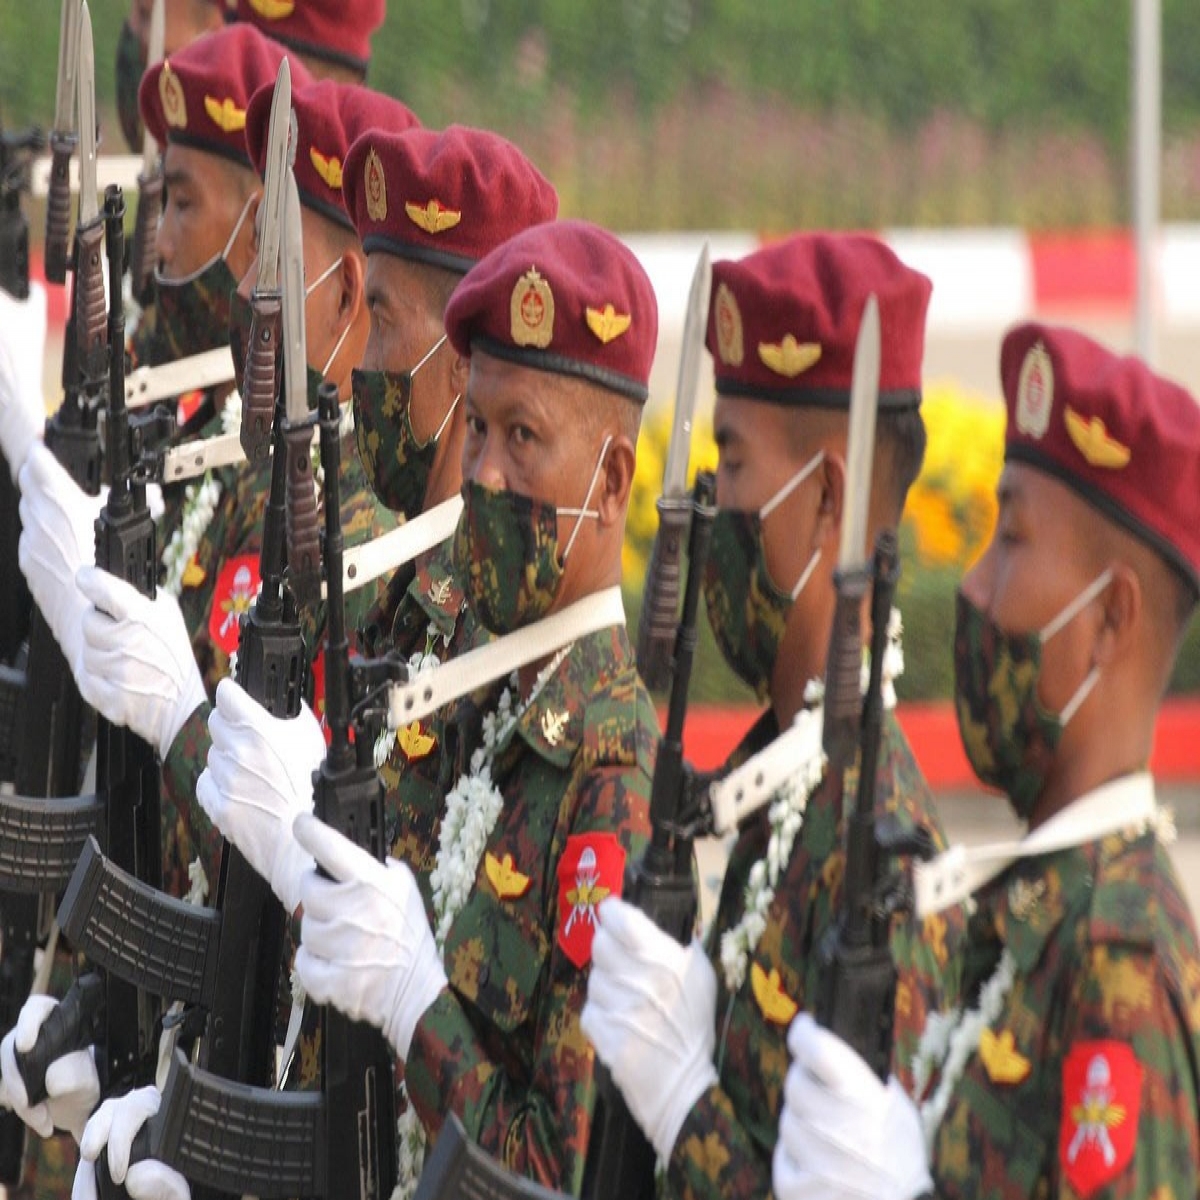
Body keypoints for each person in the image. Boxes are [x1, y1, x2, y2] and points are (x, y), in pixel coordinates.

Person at [78, 218, 662, 1198]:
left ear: (609, 482)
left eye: (523, 437)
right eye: (479, 430)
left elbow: (552, 1172)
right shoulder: (476, 696)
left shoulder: (612, 777)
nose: (484, 471)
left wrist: (417, 1007)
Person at [773, 322, 1200, 1200]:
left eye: (1011, 538)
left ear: (1110, 618)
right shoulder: (1044, 906)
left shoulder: (1116, 955)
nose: (972, 583)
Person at [581, 234, 964, 1200]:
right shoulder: (785, 787)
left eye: (734, 461)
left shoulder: (877, 859)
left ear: (826, 496)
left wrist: (683, 1103)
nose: (712, 503)